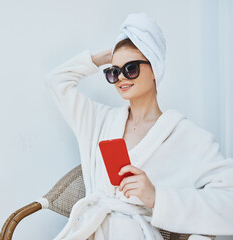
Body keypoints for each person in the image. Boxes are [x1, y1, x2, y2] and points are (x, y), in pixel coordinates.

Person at [43, 12, 233, 240]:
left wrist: (157, 197)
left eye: (130, 68)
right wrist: (105, 57)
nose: (121, 78)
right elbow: (56, 81)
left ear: (154, 69)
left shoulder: (189, 137)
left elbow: (228, 205)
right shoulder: (99, 120)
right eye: (113, 72)